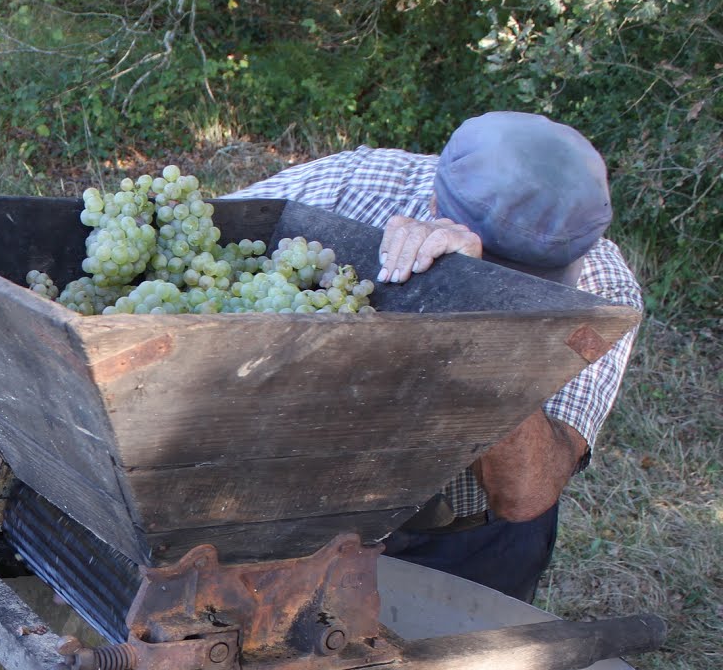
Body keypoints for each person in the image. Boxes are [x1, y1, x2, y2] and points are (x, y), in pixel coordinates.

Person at [226, 111, 643, 603]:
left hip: (463, 541)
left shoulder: (602, 290)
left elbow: (525, 491)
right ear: (432, 202)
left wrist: (475, 305)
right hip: (302, 513)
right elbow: (192, 248)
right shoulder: (355, 184)